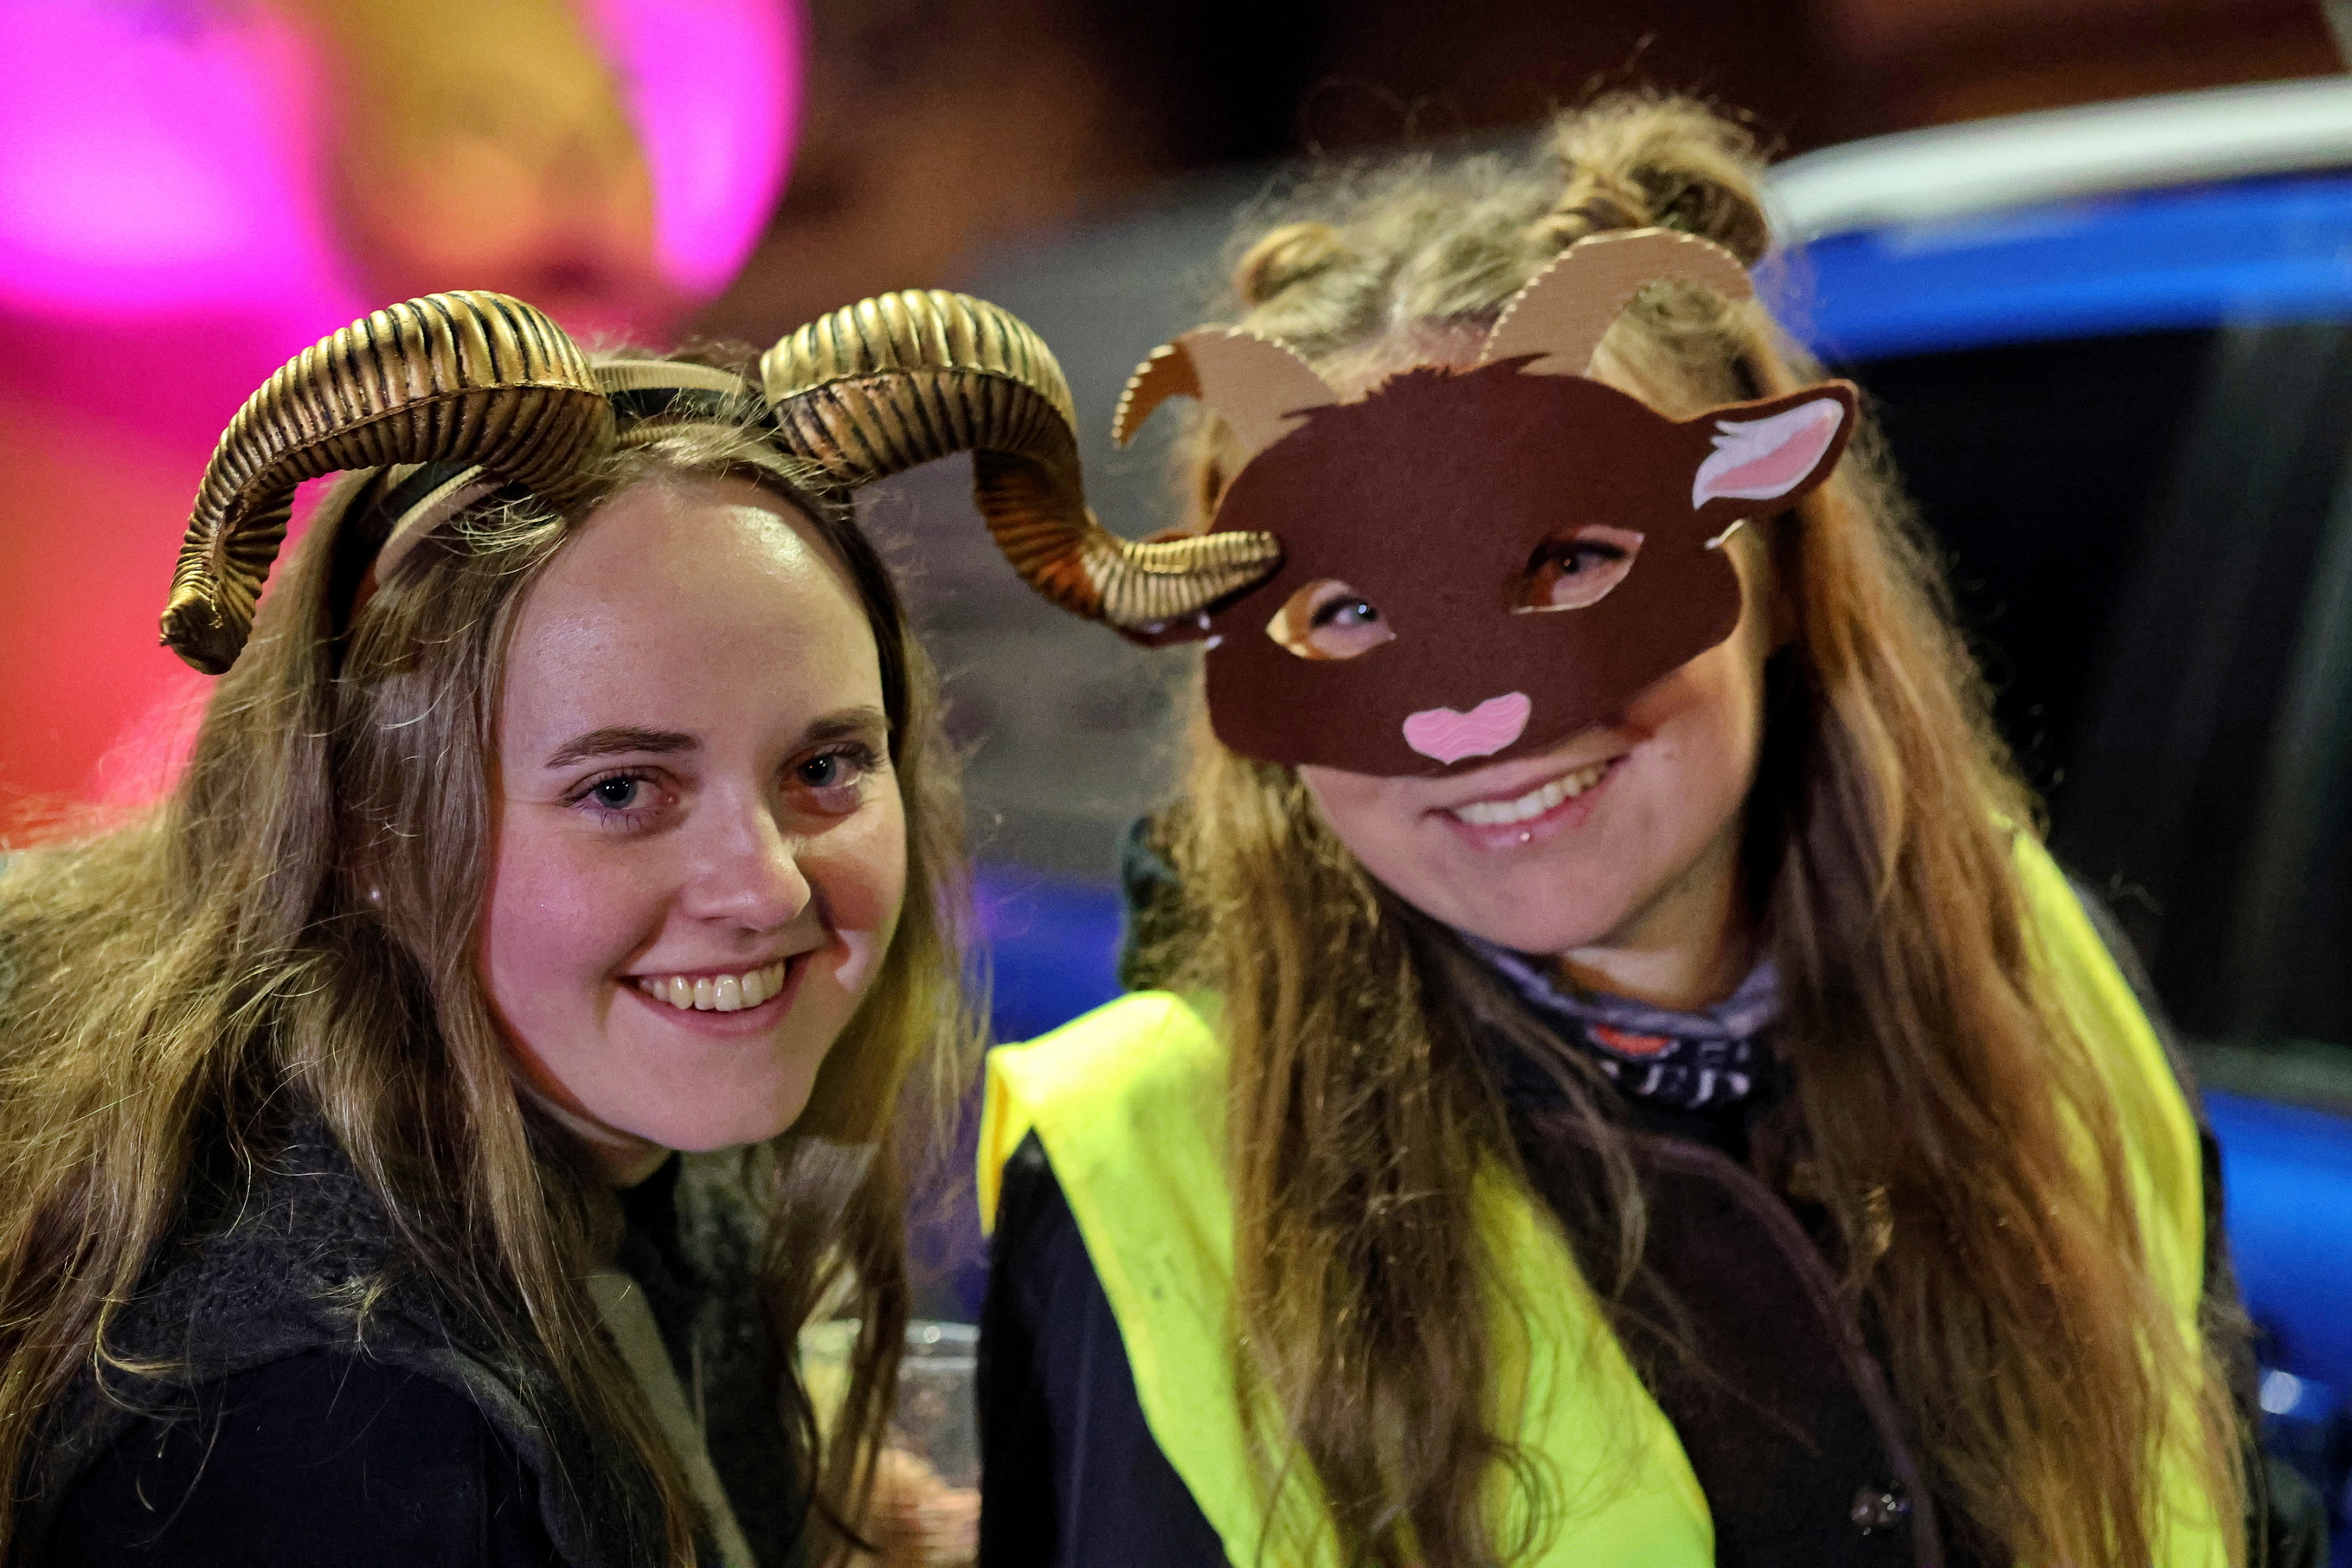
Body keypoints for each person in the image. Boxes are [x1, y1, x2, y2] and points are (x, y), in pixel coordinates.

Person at [967, 96, 2324, 1567]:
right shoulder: (1149, 1173)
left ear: (1776, 571)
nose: (1475, 717)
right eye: (1348, 610)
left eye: (1568, 560)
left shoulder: (2037, 970)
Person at [0, 286, 1083, 1566]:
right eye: (621, 790)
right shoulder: (345, 1434)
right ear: (368, 831)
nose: (767, 890)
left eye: (826, 766)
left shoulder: (602, 1125)